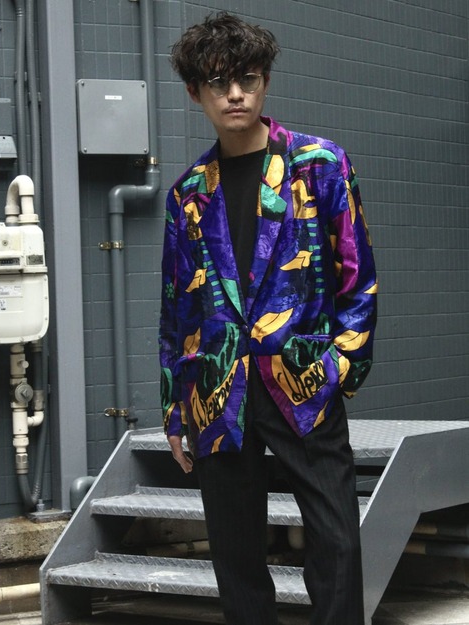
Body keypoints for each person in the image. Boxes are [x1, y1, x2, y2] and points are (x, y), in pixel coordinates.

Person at [159, 12, 377, 625]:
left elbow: (357, 273)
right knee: (235, 553)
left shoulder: (320, 165)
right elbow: (177, 305)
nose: (235, 94)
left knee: (337, 540)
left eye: (247, 79)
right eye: (219, 82)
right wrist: (175, 404)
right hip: (217, 387)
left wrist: (341, 365)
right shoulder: (187, 194)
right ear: (195, 92)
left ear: (265, 83)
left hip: (303, 379)